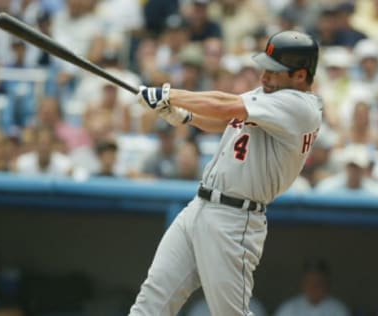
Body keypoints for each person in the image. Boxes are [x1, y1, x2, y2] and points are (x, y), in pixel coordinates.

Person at [128, 30, 322, 316]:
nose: (265, 77)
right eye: (265, 69)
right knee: (149, 305)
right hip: (199, 207)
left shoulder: (299, 106)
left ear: (300, 76)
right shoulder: (271, 94)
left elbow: (224, 105)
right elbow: (228, 118)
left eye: (275, 71)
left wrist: (169, 94)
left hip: (234, 220)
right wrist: (186, 116)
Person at [273, 258, 350, 316]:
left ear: (327, 284)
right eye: (310, 282)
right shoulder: (289, 308)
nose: (314, 287)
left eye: (319, 283)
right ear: (303, 284)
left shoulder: (338, 309)